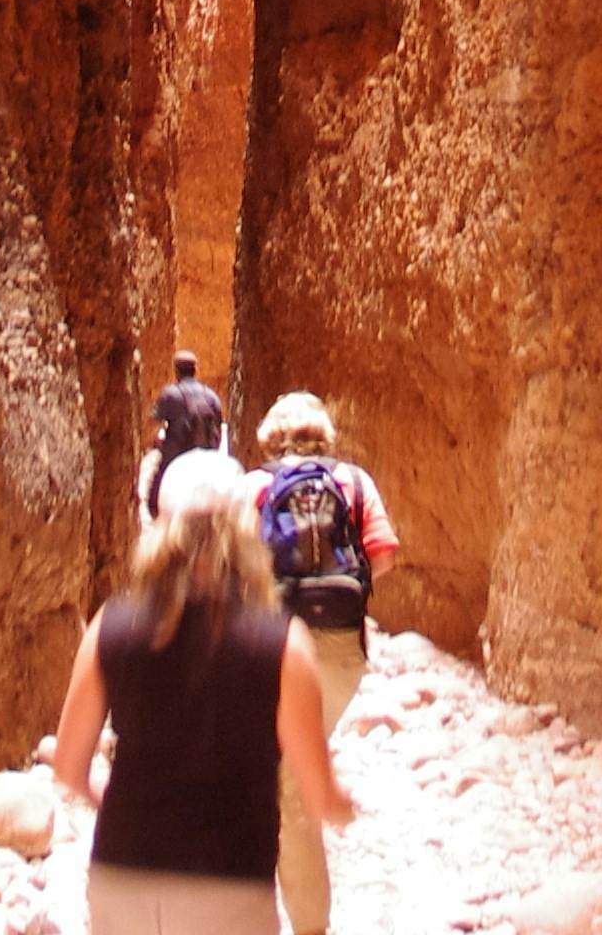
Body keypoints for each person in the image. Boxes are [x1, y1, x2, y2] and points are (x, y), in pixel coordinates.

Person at [54, 446, 356, 935]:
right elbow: (319, 798)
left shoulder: (108, 625)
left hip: (122, 877)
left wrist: (118, 802)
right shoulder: (283, 643)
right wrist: (348, 806)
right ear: (245, 532)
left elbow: (69, 768)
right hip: (228, 886)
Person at [243, 393, 398, 935]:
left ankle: (304, 924)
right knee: (288, 774)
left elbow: (231, 565)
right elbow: (382, 554)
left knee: (284, 785)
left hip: (273, 649)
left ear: (270, 436)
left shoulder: (255, 486)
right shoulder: (354, 482)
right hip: (338, 653)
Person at [139, 348, 231, 520]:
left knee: (154, 496)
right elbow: (219, 426)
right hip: (207, 457)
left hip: (176, 457)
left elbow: (152, 424)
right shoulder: (211, 396)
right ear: (195, 370)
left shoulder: (170, 394)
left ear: (176, 371)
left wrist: (157, 443)